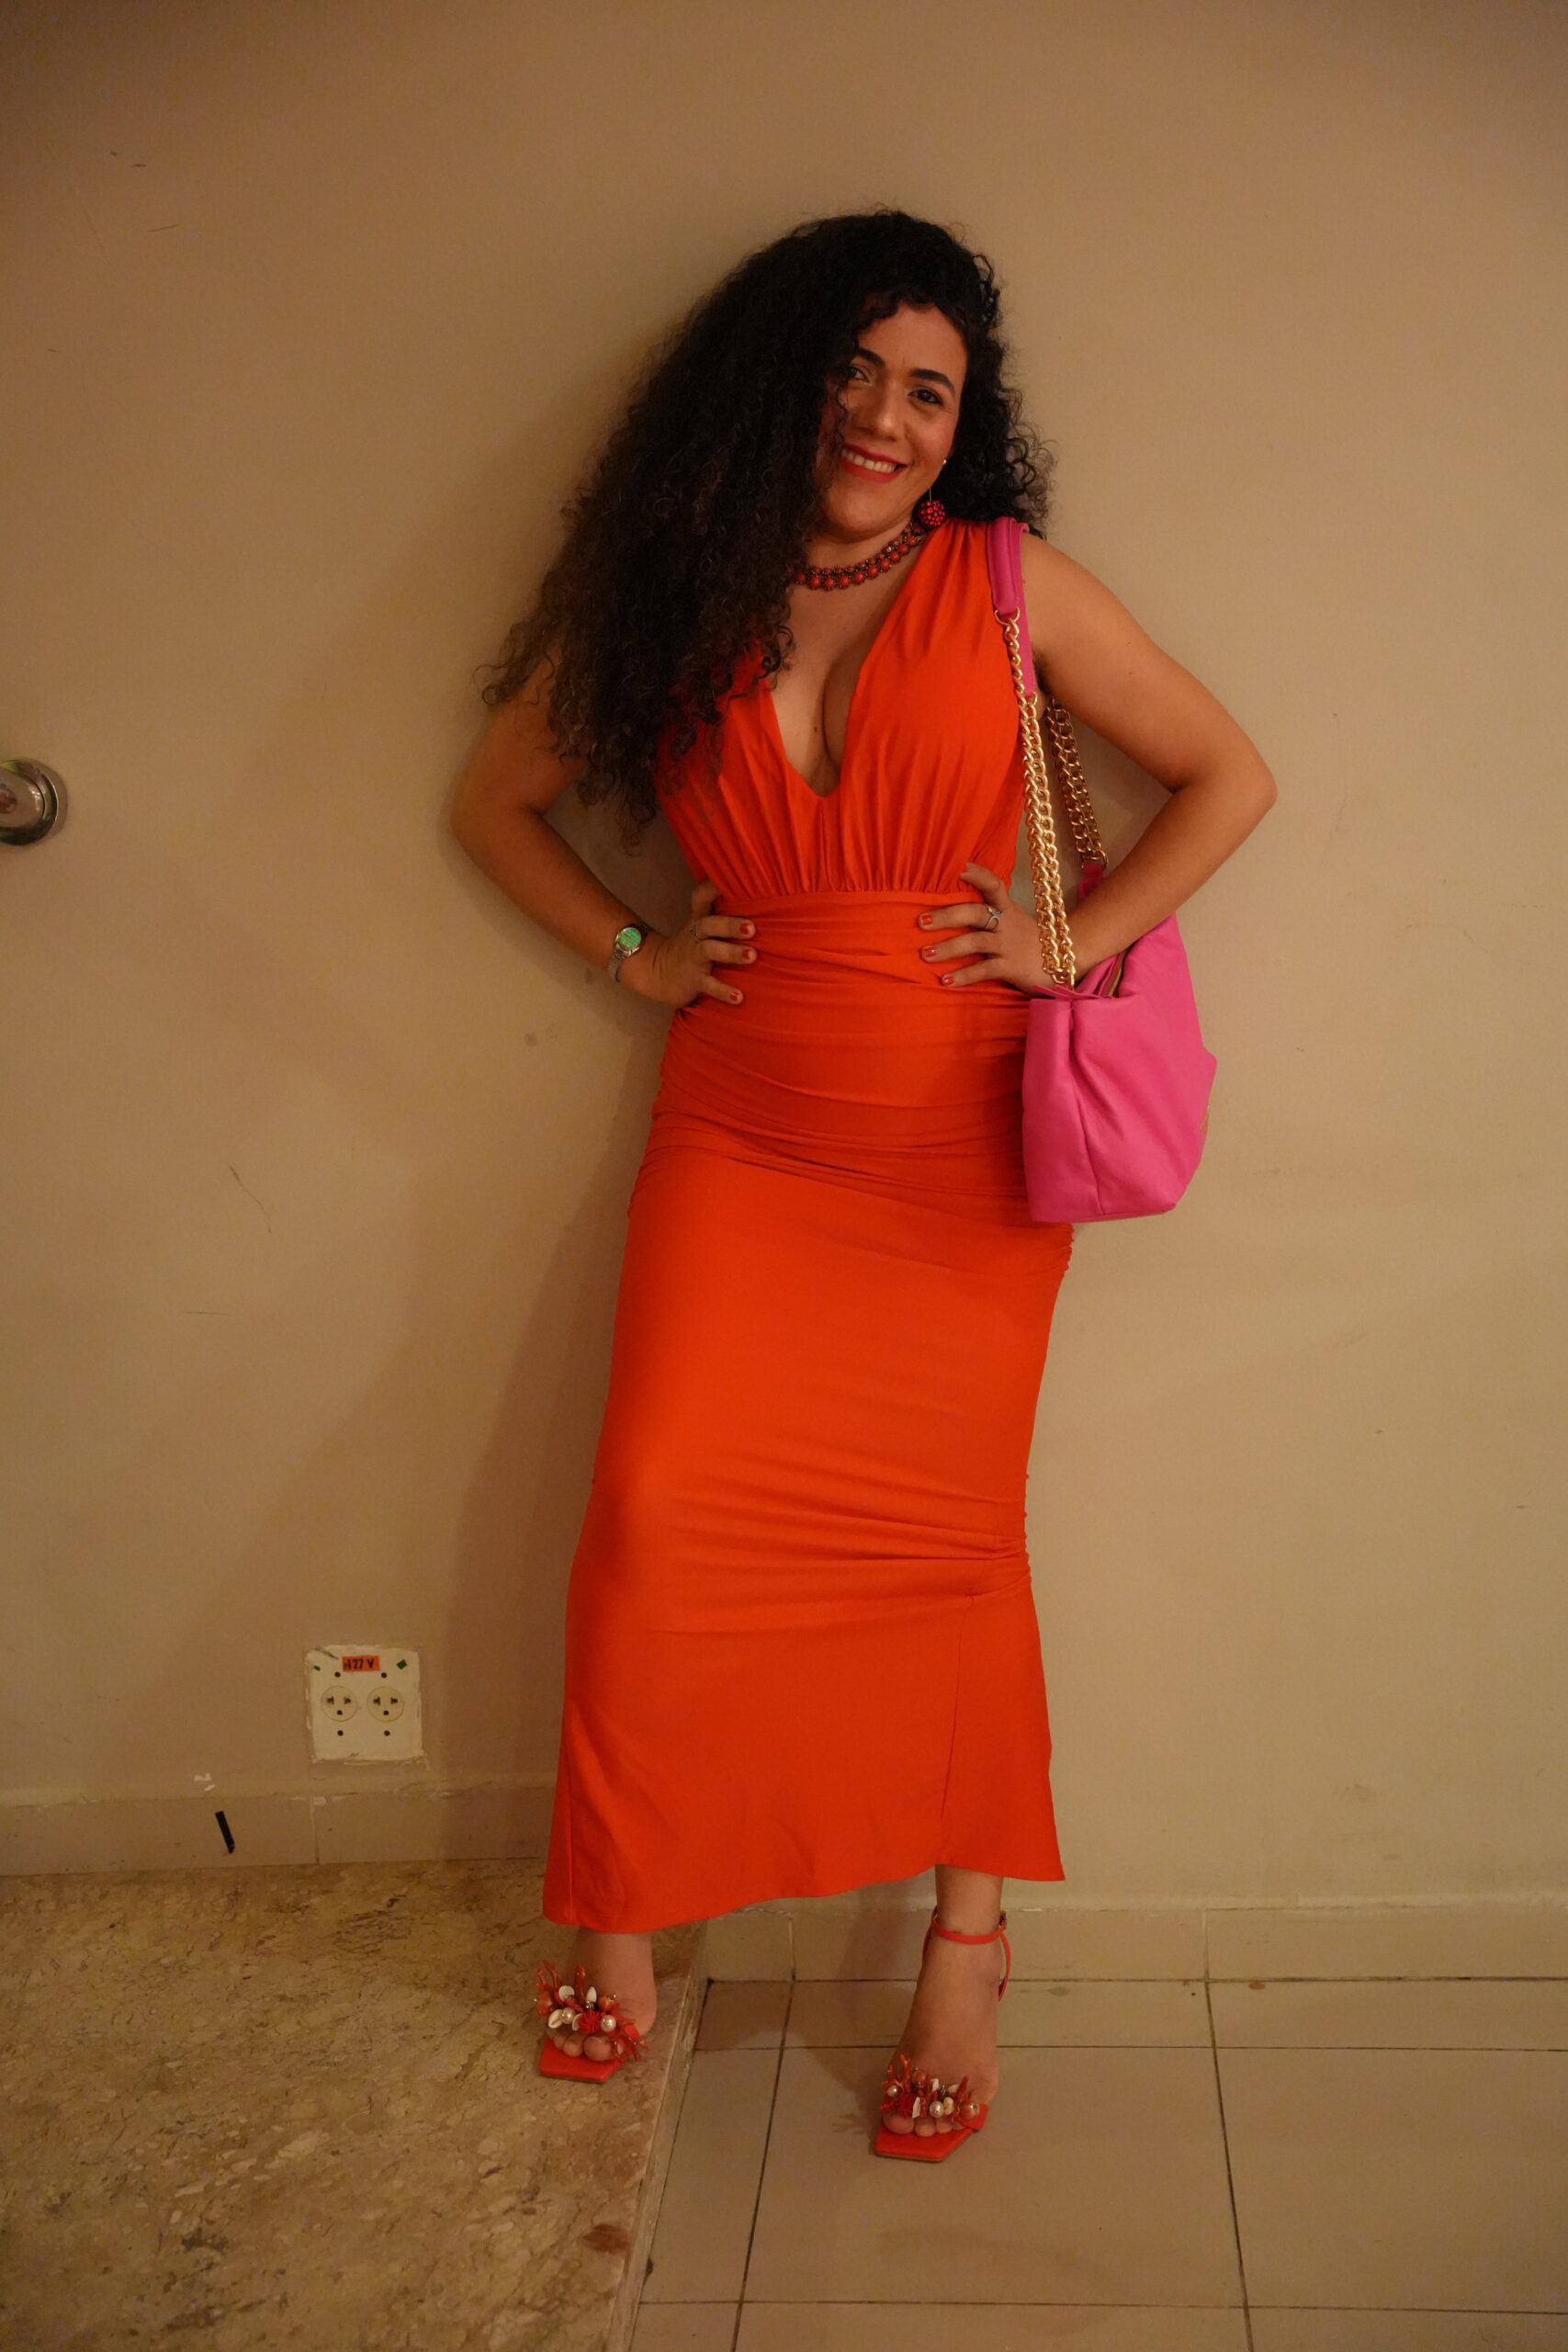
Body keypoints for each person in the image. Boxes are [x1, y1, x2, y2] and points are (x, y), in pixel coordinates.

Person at [450, 208, 1276, 2156]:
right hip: (740, 1130)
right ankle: (622, 1907)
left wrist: (1070, 944)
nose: (886, 418)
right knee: (654, 1511)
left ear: (961, 426)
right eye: (853, 370)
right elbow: (493, 801)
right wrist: (634, 953)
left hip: (957, 1144)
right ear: (778, 379)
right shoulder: (676, 593)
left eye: (929, 391)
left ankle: (964, 1943)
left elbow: (1227, 775)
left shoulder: (1004, 582)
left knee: (949, 1542)